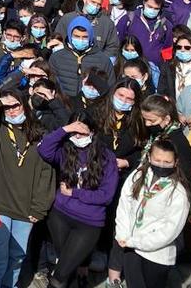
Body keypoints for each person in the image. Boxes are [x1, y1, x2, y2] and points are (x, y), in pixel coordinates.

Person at [0, 92, 55, 288]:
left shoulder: (40, 134)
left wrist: (39, 208)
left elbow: (47, 173)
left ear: (25, 106)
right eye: (7, 108)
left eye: (16, 105)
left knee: (17, 257)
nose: (11, 111)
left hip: (25, 209)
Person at [37, 113, 119, 288]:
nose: (77, 137)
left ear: (92, 132)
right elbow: (44, 149)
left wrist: (75, 193)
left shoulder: (107, 158)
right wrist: (65, 129)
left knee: (60, 274)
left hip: (88, 222)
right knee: (67, 267)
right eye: (74, 132)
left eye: (81, 132)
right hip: (60, 215)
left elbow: (106, 195)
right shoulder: (66, 149)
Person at [113, 139, 191, 288]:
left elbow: (170, 230)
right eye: (157, 160)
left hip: (156, 255)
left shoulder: (178, 193)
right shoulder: (138, 176)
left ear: (175, 162)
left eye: (167, 162)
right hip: (130, 245)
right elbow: (124, 205)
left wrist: (136, 242)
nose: (161, 165)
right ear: (149, 158)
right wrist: (122, 234)